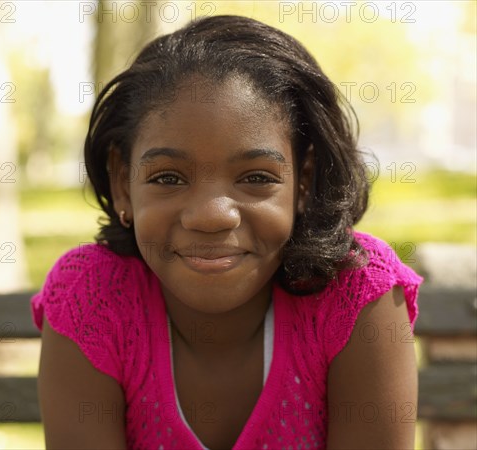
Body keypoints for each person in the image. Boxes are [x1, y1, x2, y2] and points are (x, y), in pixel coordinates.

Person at [32, 15, 422, 450]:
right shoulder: (91, 297)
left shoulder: (357, 296)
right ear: (123, 183)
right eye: (168, 178)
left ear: (304, 181)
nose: (212, 215)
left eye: (256, 177)